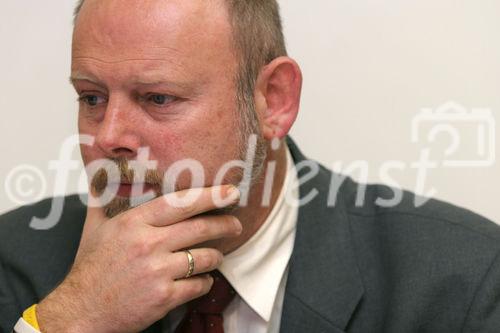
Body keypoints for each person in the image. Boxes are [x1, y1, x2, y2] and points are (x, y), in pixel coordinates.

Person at [1, 0, 500, 332]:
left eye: (158, 97)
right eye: (91, 97)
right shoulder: (17, 258)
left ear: (273, 101)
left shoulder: (462, 280)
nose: (108, 136)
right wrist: (72, 320)